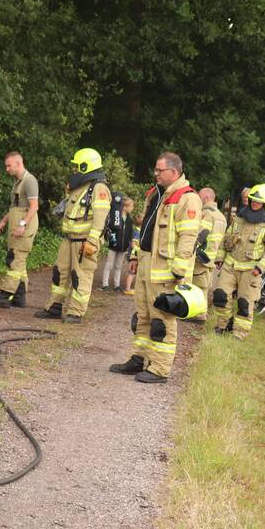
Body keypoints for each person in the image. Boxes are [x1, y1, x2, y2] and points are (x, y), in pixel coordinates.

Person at [109, 152, 201, 383]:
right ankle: (139, 359)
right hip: (146, 263)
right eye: (156, 169)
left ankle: (159, 369)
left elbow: (188, 237)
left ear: (174, 171)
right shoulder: (155, 194)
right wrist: (134, 255)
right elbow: (145, 228)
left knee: (162, 319)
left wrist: (179, 272)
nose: (156, 173)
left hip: (166, 270)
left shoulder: (187, 198)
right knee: (143, 315)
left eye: (160, 170)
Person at [34, 148, 110, 324]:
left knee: (81, 276)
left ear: (86, 166)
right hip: (69, 239)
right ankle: (54, 306)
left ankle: (76, 312)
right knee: (59, 273)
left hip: (84, 242)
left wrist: (92, 241)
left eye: (77, 167)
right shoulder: (81, 187)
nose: (74, 170)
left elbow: (100, 218)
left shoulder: (99, 188)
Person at [213, 184, 265, 340]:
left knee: (244, 303)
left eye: (259, 201)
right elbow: (226, 239)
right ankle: (224, 324)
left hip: (251, 270)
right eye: (253, 200)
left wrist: (260, 268)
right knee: (220, 296)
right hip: (230, 265)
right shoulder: (239, 218)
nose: (255, 203)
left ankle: (239, 333)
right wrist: (220, 257)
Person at [0, 152, 39, 308]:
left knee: (15, 259)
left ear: (18, 163)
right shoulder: (18, 183)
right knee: (18, 261)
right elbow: (15, 206)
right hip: (15, 224)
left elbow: (34, 207)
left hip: (24, 226)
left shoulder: (29, 181)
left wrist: (23, 224)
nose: (7, 169)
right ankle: (19, 297)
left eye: (9, 165)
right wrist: (2, 222)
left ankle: (6, 294)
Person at [190, 187, 227, 322]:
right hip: (212, 257)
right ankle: (200, 312)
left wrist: (191, 249)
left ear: (205, 198)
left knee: (199, 286)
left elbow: (201, 234)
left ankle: (199, 314)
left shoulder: (206, 213)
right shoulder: (221, 216)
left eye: (199, 197)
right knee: (204, 284)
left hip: (202, 257)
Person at [101, 196, 134, 291]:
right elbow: (110, 229)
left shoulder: (130, 220)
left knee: (119, 266)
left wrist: (130, 242)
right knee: (109, 264)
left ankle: (116, 285)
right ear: (125, 207)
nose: (132, 209)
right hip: (114, 245)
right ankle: (105, 284)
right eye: (131, 206)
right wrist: (111, 240)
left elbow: (130, 233)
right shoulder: (116, 217)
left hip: (123, 247)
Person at [121, 215, 141, 296]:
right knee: (132, 272)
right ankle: (127, 289)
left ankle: (131, 288)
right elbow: (133, 244)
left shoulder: (139, 230)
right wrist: (139, 251)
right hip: (134, 256)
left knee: (135, 272)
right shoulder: (137, 232)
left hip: (136, 256)